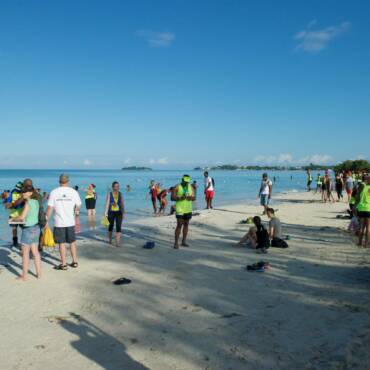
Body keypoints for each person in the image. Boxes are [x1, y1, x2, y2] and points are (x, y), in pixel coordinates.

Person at [46, 174, 82, 270]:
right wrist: (77, 216)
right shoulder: (73, 192)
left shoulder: (54, 192)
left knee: (61, 243)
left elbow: (50, 208)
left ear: (59, 181)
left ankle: (64, 264)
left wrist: (46, 220)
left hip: (59, 222)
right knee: (72, 242)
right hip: (70, 221)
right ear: (68, 181)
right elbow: (78, 205)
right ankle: (74, 262)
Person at [10, 185, 41, 281]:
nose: (23, 193)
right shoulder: (36, 202)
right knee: (35, 252)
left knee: (25, 253)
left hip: (28, 230)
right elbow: (32, 215)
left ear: (31, 193)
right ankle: (39, 274)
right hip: (36, 228)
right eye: (22, 191)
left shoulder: (28, 203)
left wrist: (12, 219)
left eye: (25, 192)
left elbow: (22, 217)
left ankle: (24, 276)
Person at [172, 175, 196, 249]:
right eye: (185, 181)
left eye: (187, 182)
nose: (186, 183)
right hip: (179, 209)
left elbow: (194, 198)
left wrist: (190, 198)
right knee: (179, 225)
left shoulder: (191, 187)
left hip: (188, 209)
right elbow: (172, 198)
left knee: (186, 224)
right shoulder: (177, 186)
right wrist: (180, 197)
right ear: (182, 180)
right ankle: (176, 243)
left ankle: (183, 241)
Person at [104, 181, 125, 247]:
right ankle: (110, 240)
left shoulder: (120, 194)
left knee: (118, 227)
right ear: (113, 187)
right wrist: (105, 212)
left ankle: (117, 242)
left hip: (119, 212)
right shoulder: (109, 194)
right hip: (111, 212)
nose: (117, 187)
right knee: (111, 226)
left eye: (118, 186)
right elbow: (107, 203)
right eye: (115, 186)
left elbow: (122, 204)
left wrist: (123, 212)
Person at [356, 175, 370, 247]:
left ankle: (360, 243)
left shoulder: (364, 188)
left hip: (361, 208)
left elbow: (358, 196)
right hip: (368, 208)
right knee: (368, 227)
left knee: (361, 226)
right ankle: (366, 244)